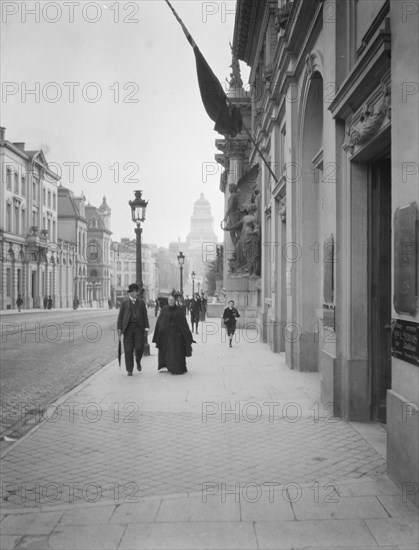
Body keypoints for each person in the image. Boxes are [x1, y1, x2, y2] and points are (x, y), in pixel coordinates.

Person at [152, 294, 195, 375]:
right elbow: (160, 321)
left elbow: (183, 323)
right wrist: (160, 331)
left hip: (177, 335)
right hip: (167, 335)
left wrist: (187, 334)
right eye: (169, 300)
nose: (170, 302)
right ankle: (169, 366)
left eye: (172, 300)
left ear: (175, 301)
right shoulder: (165, 309)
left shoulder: (179, 310)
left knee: (176, 352)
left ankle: (177, 368)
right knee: (168, 352)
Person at [117, 283, 149, 376]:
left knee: (139, 348)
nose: (137, 293)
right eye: (135, 291)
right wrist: (119, 328)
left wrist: (146, 328)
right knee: (128, 350)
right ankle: (129, 370)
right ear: (131, 293)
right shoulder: (125, 303)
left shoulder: (141, 302)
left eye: (137, 291)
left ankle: (138, 361)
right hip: (127, 329)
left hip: (139, 329)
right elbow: (120, 317)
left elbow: (145, 316)